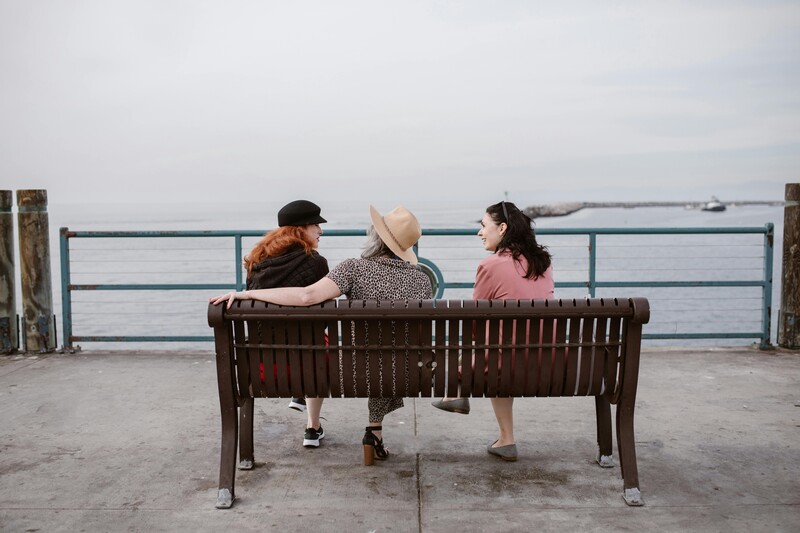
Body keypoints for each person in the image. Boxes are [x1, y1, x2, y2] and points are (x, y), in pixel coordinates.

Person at [210, 205, 432, 465]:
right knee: (387, 355)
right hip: (405, 373)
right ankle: (374, 431)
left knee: (363, 353)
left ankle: (312, 421)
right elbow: (420, 336)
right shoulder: (422, 280)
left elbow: (308, 296)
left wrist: (247, 294)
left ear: (375, 238)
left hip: (351, 372)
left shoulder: (352, 268)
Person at [431, 200, 553, 462]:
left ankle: (456, 392)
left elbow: (474, 321)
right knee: (504, 347)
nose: (480, 232)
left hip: (505, 363)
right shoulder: (543, 264)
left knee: (494, 352)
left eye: (484, 226)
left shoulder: (490, 265)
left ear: (503, 228)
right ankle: (505, 440)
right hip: (546, 361)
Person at [244, 199, 330, 448]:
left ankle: (300, 398)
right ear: (300, 229)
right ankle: (312, 427)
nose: (321, 231)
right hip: (310, 363)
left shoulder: (256, 263)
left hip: (263, 365)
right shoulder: (316, 262)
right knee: (317, 345)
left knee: (306, 343)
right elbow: (324, 319)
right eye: (316, 226)